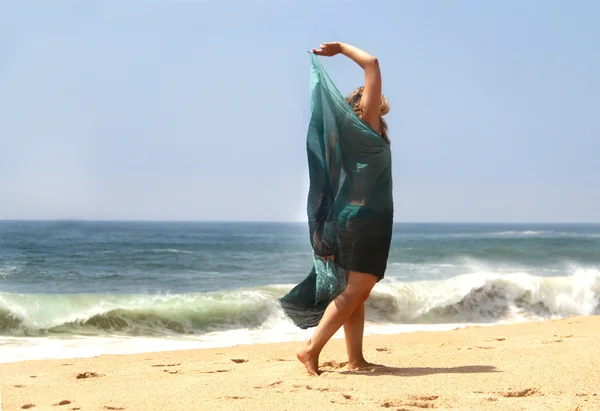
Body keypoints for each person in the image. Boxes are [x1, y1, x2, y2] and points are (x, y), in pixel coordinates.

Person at [283, 42, 393, 376]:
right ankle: (311, 349)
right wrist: (341, 48)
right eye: (371, 101)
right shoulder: (365, 128)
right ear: (363, 108)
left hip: (351, 217)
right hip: (364, 220)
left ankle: (356, 359)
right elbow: (372, 64)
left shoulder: (346, 137)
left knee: (355, 292)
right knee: (357, 290)